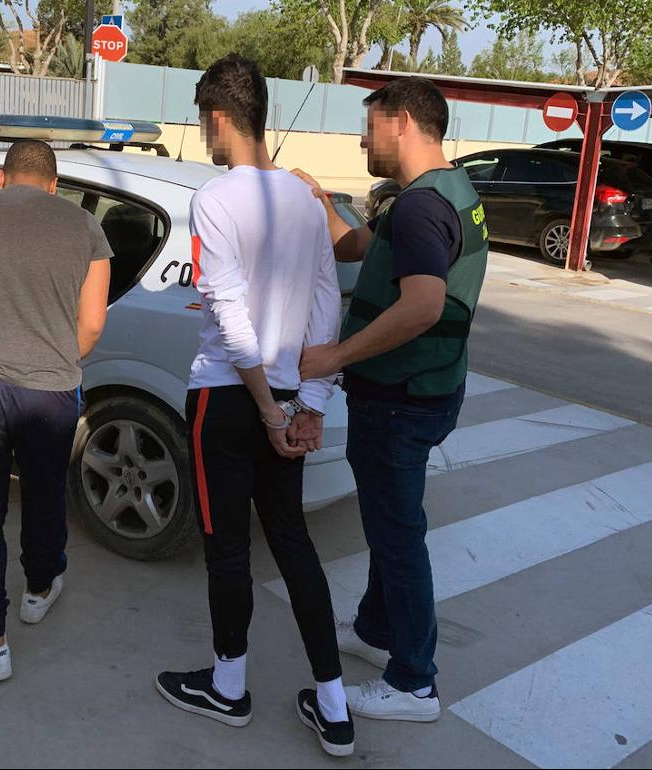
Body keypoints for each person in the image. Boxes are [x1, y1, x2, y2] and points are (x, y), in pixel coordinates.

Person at [153, 54, 353, 758]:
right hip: (290, 396)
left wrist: (271, 409)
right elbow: (329, 306)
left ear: (217, 119)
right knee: (292, 542)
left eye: (203, 125)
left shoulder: (215, 196)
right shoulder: (306, 199)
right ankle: (333, 706)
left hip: (229, 399)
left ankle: (229, 688)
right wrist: (311, 403)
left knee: (227, 547)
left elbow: (231, 317)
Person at [292, 76, 488, 723]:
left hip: (401, 401)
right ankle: (377, 631)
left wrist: (334, 356)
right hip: (430, 390)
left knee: (399, 538)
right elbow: (358, 248)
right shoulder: (443, 192)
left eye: (369, 124)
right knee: (387, 523)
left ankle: (414, 684)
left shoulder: (420, 208)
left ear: (401, 121)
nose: (361, 138)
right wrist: (320, 201)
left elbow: (425, 304)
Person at [0, 140, 112, 683]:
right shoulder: (85, 228)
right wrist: (52, 359)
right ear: (55, 184)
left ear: (3, 178)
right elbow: (94, 322)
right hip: (53, 389)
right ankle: (38, 590)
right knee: (43, 492)